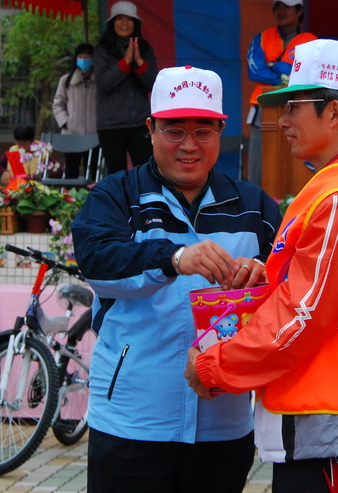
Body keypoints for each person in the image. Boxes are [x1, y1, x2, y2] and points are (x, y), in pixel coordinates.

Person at [186, 39, 338, 493]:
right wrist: (271, 278)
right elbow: (318, 294)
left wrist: (216, 364)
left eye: (294, 106)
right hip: (323, 423)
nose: (282, 120)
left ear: (333, 113)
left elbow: (304, 313)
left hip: (329, 425)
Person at [72, 65, 282, 493]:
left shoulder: (255, 205)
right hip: (131, 420)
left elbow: (292, 289)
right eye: (174, 131)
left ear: (221, 131)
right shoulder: (116, 195)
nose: (189, 145)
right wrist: (174, 258)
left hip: (223, 423)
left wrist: (265, 276)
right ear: (150, 129)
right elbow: (97, 262)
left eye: (203, 131)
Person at [245, 0, 317, 185]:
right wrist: (285, 75)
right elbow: (255, 71)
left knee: (295, 162)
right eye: (277, 7)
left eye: (287, 7)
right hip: (263, 106)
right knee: (260, 163)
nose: (281, 11)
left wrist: (276, 66)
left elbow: (309, 73)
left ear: (299, 11)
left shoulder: (311, 41)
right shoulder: (261, 38)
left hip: (299, 107)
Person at [93, 0, 157, 175]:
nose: (124, 23)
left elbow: (154, 84)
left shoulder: (145, 48)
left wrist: (139, 62)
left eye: (129, 19)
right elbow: (103, 82)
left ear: (135, 23)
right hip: (111, 124)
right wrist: (126, 62)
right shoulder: (102, 49)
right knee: (116, 175)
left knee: (145, 172)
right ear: (112, 23)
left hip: (140, 122)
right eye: (119, 18)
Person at [53, 43, 100, 180]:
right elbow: (58, 104)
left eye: (87, 57)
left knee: (92, 171)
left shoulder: (99, 81)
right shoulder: (66, 80)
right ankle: (70, 193)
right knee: (71, 171)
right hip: (71, 134)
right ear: (76, 59)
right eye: (81, 57)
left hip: (94, 134)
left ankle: (92, 193)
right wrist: (65, 122)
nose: (84, 60)